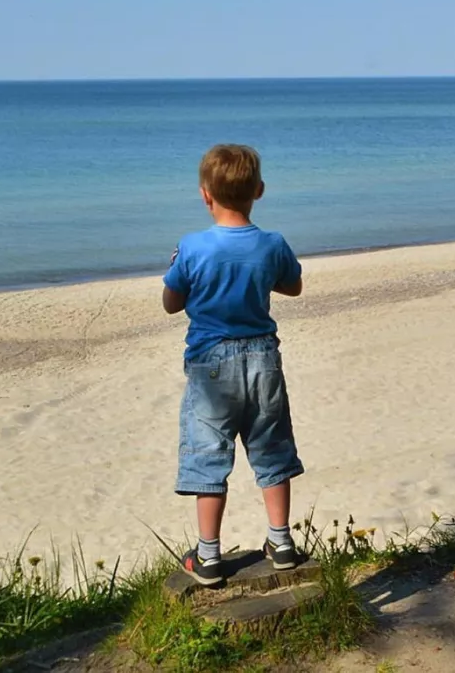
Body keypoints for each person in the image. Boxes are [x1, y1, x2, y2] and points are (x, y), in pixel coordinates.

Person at [163, 144, 306, 585]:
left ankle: (208, 555)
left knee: (209, 454)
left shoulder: (192, 247)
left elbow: (172, 304)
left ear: (205, 195)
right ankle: (280, 541)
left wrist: (178, 270)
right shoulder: (271, 244)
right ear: (259, 191)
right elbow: (293, 286)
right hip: (262, 355)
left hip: (210, 363)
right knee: (271, 447)